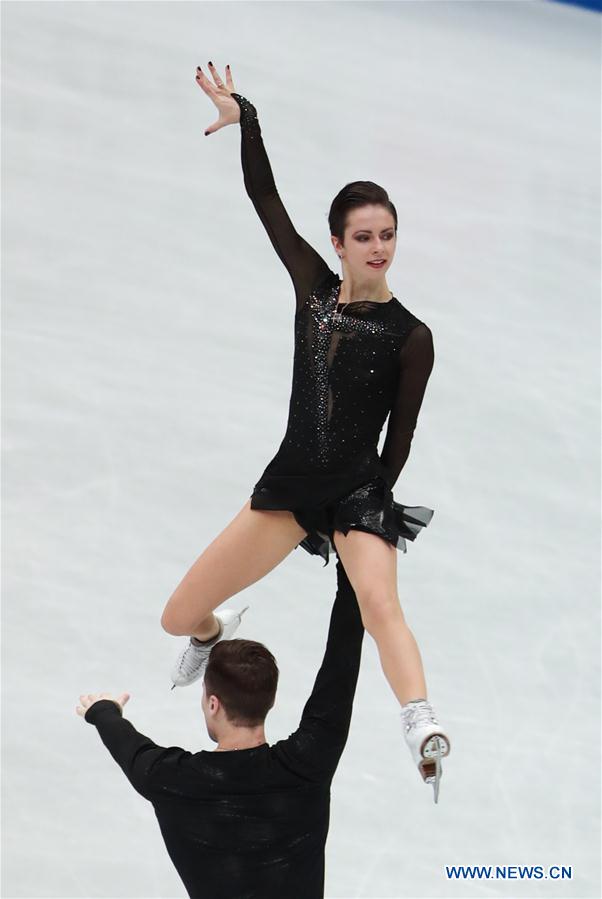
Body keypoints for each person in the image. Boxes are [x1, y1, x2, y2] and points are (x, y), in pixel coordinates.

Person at [161, 61, 450, 799]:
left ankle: (419, 718)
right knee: (177, 615)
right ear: (339, 241)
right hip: (289, 487)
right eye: (364, 236)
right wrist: (246, 118)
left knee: (383, 607)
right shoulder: (313, 290)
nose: (380, 247)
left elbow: (402, 436)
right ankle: (207, 631)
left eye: (388, 234)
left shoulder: (411, 335)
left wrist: (372, 512)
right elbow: (266, 201)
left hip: (355, 492)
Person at [78, 557, 365, 899]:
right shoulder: (307, 763)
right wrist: (352, 563)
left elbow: (128, 744)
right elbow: (341, 663)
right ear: (269, 701)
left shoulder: (171, 779)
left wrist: (104, 711)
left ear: (213, 703)